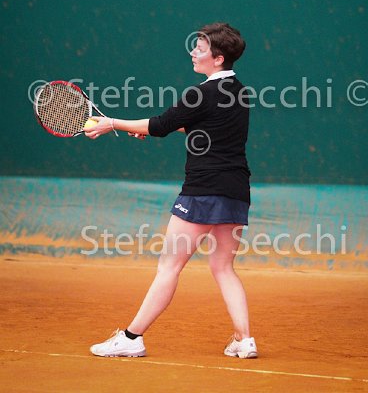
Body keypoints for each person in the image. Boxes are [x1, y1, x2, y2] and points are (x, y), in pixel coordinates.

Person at [85, 22, 258, 359]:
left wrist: (112, 123)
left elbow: (161, 124)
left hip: (202, 191)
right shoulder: (240, 91)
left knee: (169, 266)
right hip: (236, 190)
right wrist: (154, 129)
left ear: (218, 58)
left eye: (201, 49)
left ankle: (132, 337)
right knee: (223, 267)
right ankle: (244, 339)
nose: (193, 52)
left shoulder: (201, 93)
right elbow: (204, 125)